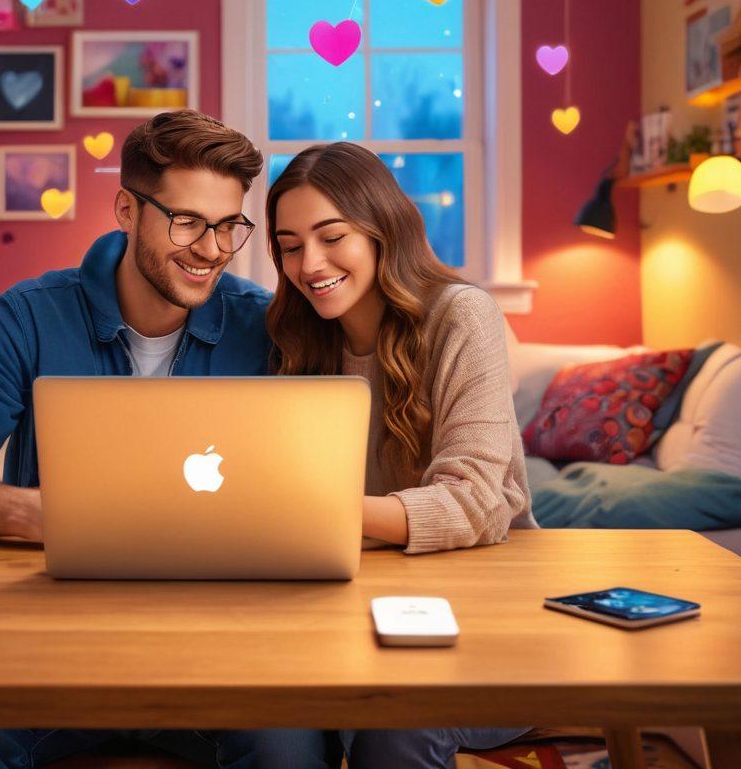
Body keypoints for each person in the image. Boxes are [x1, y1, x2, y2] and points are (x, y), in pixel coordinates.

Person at [0, 110, 271, 769]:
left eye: (229, 226)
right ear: (127, 209)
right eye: (187, 222)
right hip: (52, 637)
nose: (211, 249)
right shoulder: (30, 315)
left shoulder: (263, 326)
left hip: (219, 639)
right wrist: (43, 513)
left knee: (290, 752)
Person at [214, 142, 536, 769]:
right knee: (277, 722)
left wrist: (311, 509)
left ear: (382, 227)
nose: (310, 263)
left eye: (332, 236)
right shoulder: (294, 336)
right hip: (342, 607)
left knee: (394, 730)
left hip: (479, 612)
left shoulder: (461, 315)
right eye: (289, 244)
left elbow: (473, 502)